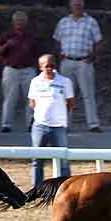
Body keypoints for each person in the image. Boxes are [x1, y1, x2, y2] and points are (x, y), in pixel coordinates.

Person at [53, 0, 103, 132]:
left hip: (84, 63)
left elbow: (98, 41)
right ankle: (64, 124)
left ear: (83, 6)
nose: (77, 7)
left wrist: (92, 57)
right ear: (70, 6)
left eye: (79, 5)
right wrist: (60, 56)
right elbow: (57, 40)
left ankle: (93, 124)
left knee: (88, 94)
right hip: (67, 62)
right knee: (65, 94)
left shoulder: (91, 22)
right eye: (75, 5)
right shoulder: (63, 22)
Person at [28, 54, 74, 187]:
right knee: (37, 160)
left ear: (55, 65)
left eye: (52, 65)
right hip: (39, 127)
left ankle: (66, 188)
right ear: (40, 67)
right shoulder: (35, 82)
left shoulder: (65, 81)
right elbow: (32, 102)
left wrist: (58, 115)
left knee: (63, 160)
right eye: (46, 66)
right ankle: (36, 189)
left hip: (59, 127)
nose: (49, 68)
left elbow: (70, 103)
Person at [0, 11, 39, 133]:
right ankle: (6, 124)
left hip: (28, 70)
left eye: (22, 20)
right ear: (13, 22)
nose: (20, 22)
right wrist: (6, 45)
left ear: (26, 22)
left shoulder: (31, 36)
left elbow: (36, 53)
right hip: (11, 70)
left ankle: (31, 123)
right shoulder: (7, 36)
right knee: (9, 98)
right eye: (18, 20)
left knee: (31, 98)